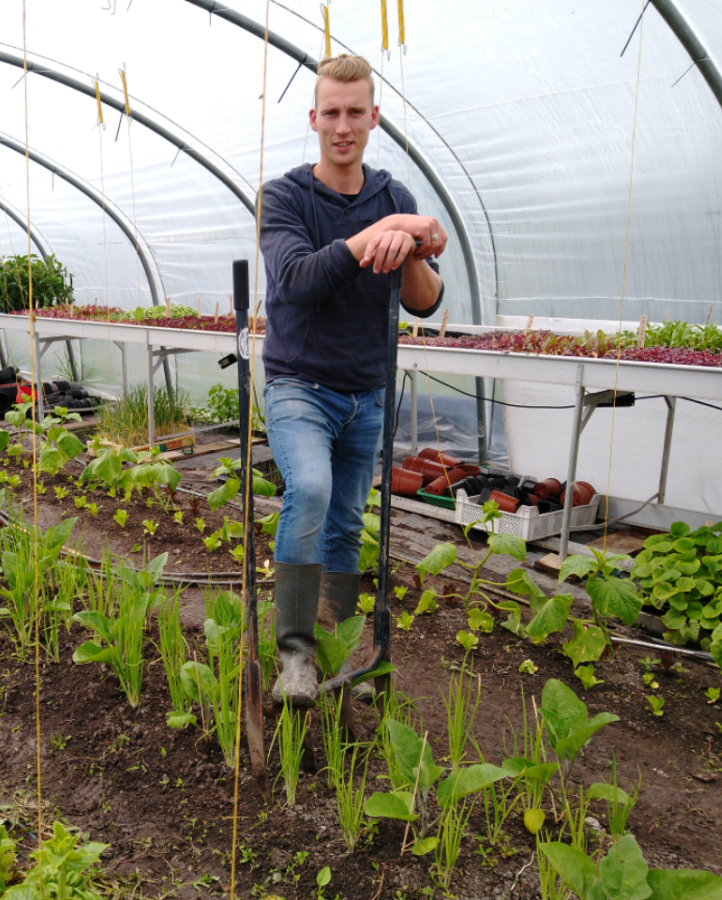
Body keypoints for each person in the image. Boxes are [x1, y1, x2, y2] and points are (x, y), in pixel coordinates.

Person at [259, 54, 447, 706]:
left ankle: (332, 652)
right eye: (331, 113)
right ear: (314, 119)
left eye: (355, 112)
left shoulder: (395, 197)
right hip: (299, 386)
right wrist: (386, 231)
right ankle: (294, 658)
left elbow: (423, 301)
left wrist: (414, 248)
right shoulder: (284, 196)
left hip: (366, 391)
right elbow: (297, 281)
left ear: (373, 117)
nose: (343, 126)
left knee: (344, 524)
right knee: (308, 491)